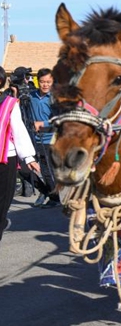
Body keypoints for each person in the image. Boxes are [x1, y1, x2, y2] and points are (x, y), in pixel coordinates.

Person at [0, 67, 41, 242]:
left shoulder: (9, 103)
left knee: (3, 201)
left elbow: (18, 129)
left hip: (6, 157)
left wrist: (29, 157)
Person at [29, 68, 60, 208]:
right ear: (38, 81)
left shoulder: (55, 98)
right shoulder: (31, 96)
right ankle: (47, 192)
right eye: (42, 82)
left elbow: (60, 119)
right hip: (34, 139)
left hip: (50, 139)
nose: (45, 85)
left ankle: (54, 198)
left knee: (48, 170)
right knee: (31, 170)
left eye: (48, 82)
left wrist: (43, 123)